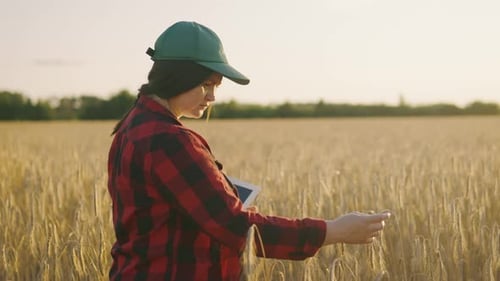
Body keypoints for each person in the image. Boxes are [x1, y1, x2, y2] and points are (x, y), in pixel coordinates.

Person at [107, 21, 391, 281]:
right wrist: (333, 231)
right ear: (179, 76)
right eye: (207, 84)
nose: (212, 97)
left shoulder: (132, 127)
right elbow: (236, 228)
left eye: (216, 86)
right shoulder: (168, 140)